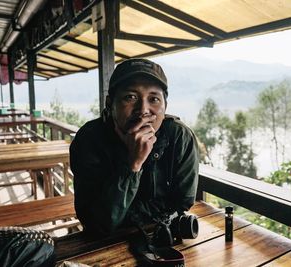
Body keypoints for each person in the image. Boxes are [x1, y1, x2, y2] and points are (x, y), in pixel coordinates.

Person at [70, 58, 199, 235]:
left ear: (165, 106)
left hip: (162, 236)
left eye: (153, 99)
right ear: (110, 104)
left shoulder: (179, 137)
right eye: (130, 97)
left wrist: (127, 216)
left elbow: (183, 202)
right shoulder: (90, 139)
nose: (143, 109)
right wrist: (133, 164)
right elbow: (96, 221)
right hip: (102, 243)